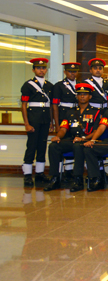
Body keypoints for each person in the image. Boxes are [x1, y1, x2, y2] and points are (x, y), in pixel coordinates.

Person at [45, 83, 102, 192]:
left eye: (85, 94)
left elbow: (96, 131)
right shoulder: (70, 112)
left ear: (90, 96)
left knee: (78, 146)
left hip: (87, 141)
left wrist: (84, 138)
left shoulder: (96, 112)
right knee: (53, 146)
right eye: (80, 94)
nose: (82, 96)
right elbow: (63, 128)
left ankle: (78, 179)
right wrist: (58, 136)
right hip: (73, 140)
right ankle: (54, 178)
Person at [20, 58, 53, 187]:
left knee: (42, 146)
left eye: (43, 68)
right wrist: (26, 123)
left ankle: (40, 173)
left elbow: (50, 106)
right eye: (38, 68)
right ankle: (27, 175)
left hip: (45, 119)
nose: (41, 70)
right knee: (31, 146)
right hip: (33, 118)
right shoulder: (28, 85)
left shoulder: (49, 86)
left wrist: (51, 122)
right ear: (33, 70)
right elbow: (24, 105)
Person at [51, 62, 80, 133]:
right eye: (70, 71)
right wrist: (57, 125)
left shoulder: (80, 84)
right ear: (65, 72)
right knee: (63, 135)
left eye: (74, 71)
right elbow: (55, 106)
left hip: (77, 113)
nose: (72, 73)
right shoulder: (59, 85)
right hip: (64, 114)